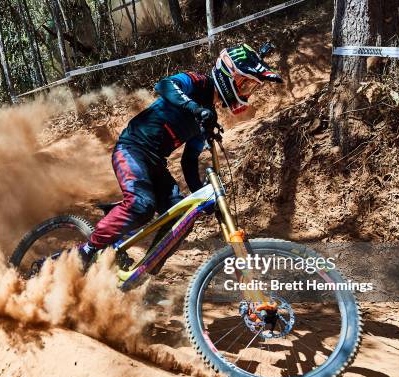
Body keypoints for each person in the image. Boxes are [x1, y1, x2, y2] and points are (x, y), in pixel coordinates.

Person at [78, 42, 283, 267]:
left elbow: (189, 160)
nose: (246, 93)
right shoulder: (198, 82)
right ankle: (86, 251)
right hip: (132, 149)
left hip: (156, 163)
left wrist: (201, 194)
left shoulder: (208, 116)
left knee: (179, 215)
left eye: (250, 88)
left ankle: (146, 268)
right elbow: (165, 85)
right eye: (244, 85)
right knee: (142, 205)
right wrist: (195, 108)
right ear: (229, 75)